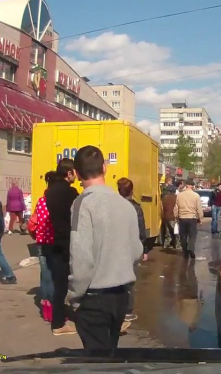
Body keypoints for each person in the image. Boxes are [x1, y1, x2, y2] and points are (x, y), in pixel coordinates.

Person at [68, 145, 143, 351]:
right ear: (105, 168)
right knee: (110, 355)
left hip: (93, 298)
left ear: (76, 173)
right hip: (121, 297)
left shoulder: (81, 204)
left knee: (97, 362)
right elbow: (136, 252)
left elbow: (81, 258)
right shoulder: (126, 205)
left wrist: (75, 297)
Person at [44, 158, 80, 336]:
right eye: (74, 172)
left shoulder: (50, 191)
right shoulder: (70, 192)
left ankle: (58, 319)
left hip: (55, 241)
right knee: (66, 284)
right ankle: (59, 324)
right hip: (69, 242)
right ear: (69, 173)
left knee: (59, 283)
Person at [117, 177, 151, 326]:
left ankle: (117, 308)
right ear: (132, 190)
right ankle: (128, 312)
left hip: (115, 246)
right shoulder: (136, 208)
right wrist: (144, 250)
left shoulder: (114, 206)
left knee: (116, 278)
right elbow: (141, 230)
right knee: (129, 280)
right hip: (131, 248)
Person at [34, 171, 57, 323]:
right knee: (54, 276)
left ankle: (45, 309)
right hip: (54, 243)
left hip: (41, 242)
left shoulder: (41, 201)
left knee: (45, 275)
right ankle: (53, 310)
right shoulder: (57, 202)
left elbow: (36, 221)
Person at [173, 179, 203, 259]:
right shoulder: (196, 196)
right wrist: (200, 218)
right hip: (192, 218)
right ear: (192, 186)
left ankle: (185, 251)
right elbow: (199, 208)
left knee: (183, 236)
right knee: (192, 236)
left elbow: (176, 207)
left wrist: (176, 217)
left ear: (186, 186)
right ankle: (191, 250)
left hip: (182, 218)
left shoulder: (179, 195)